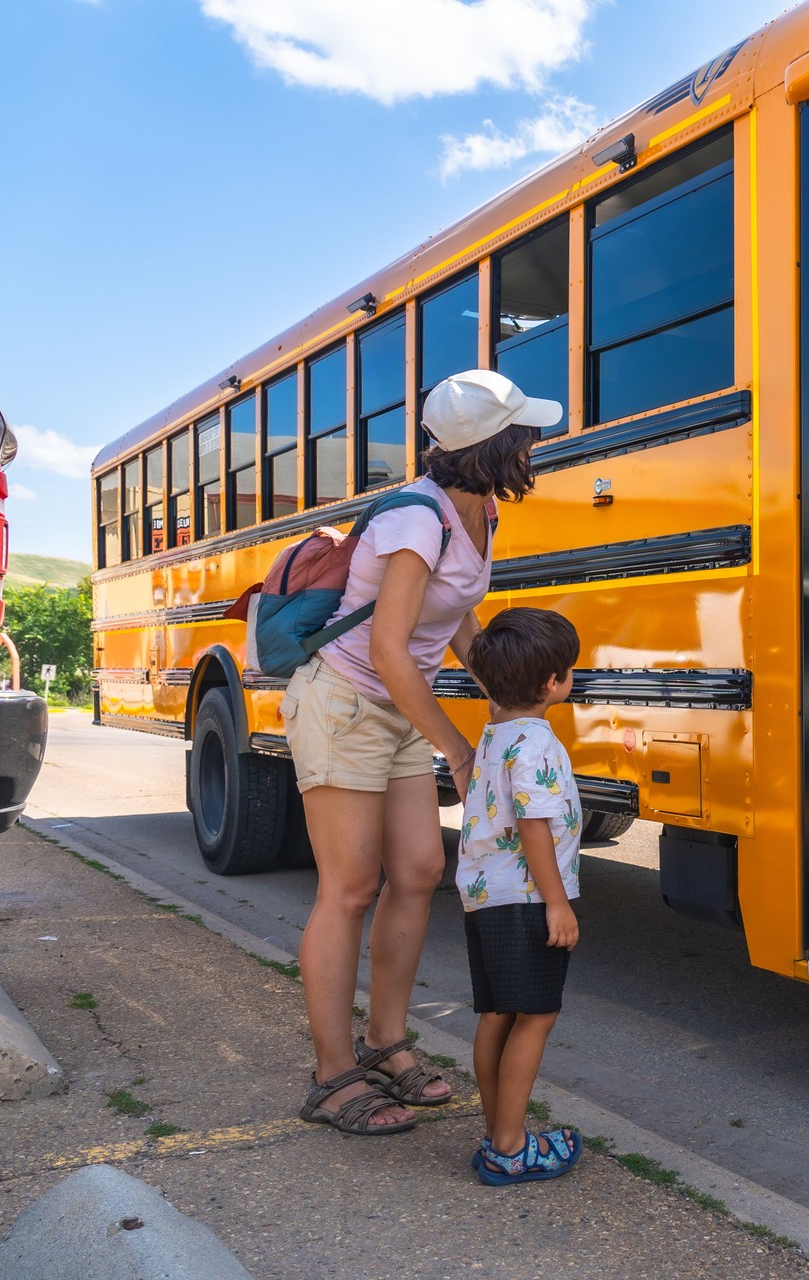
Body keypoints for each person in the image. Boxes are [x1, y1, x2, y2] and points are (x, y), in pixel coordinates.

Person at [288, 369, 558, 1136]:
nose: (536, 443)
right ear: (495, 446)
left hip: (400, 703)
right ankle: (332, 1074)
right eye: (526, 432)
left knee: (418, 870)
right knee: (349, 887)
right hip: (345, 703)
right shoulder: (418, 518)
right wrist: (461, 751)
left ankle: (384, 1043)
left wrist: (512, 705)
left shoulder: (482, 512)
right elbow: (387, 645)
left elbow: (457, 621)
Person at [455, 606, 585, 1184]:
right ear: (552, 683)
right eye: (568, 669)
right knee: (536, 1016)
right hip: (528, 899)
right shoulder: (535, 741)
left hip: (486, 897)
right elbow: (535, 824)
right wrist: (557, 902)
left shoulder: (496, 730)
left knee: (497, 1016)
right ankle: (510, 1147)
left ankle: (497, 1134)